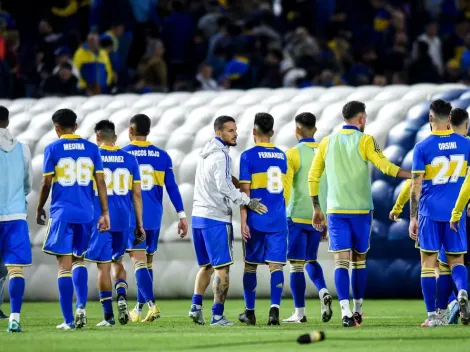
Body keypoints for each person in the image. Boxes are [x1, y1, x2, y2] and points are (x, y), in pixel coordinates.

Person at [308, 101, 411, 327]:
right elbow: (384, 166)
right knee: (359, 262)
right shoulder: (366, 140)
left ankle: (345, 312)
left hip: (335, 211)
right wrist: (411, 175)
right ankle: (357, 310)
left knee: (341, 263)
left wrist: (317, 208)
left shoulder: (327, 141)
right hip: (361, 211)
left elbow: (313, 176)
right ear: (362, 118)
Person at [390, 108, 470, 325]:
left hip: (429, 213)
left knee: (428, 264)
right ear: (450, 119)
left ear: (430, 118)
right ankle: (462, 292)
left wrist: (411, 216)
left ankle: (433, 316)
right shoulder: (466, 144)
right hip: (456, 213)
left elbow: (414, 183)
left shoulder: (422, 147)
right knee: (455, 262)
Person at [189, 115, 267, 326]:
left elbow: (219, 180)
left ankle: (196, 307)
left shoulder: (205, 153)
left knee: (206, 266)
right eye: (231, 130)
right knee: (222, 268)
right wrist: (247, 201)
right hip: (215, 218)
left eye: (235, 130)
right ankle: (217, 315)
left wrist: (236, 182)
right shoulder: (222, 156)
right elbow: (223, 186)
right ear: (219, 132)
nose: (236, 134)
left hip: (198, 216)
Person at [37, 109, 110, 330]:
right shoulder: (92, 148)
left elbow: (46, 184)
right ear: (76, 126)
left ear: (56, 127)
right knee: (80, 260)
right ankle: (81, 307)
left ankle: (69, 320)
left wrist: (40, 206)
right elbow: (100, 183)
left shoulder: (52, 148)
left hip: (62, 213)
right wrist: (104, 213)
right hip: (87, 214)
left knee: (63, 266)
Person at [122, 114, 188, 323]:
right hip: (154, 216)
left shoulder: (123, 154)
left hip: (134, 216)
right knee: (147, 263)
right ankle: (139, 309)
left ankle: (152, 305)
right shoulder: (162, 155)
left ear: (130, 131)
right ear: (148, 131)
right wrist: (181, 215)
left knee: (137, 262)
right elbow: (172, 188)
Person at [84, 120, 146, 327]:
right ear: (116, 138)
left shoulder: (94, 156)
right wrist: (139, 224)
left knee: (102, 268)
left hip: (101, 220)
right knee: (117, 262)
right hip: (123, 219)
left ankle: (108, 317)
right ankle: (121, 293)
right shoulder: (130, 159)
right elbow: (137, 195)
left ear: (97, 137)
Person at [237, 113, 288, 326]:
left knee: (250, 267)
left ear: (254, 132)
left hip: (256, 221)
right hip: (277, 220)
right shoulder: (282, 156)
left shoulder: (247, 156)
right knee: (276, 267)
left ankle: (250, 312)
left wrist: (243, 221)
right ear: (272, 132)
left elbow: (245, 193)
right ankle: (274, 311)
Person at [282, 112, 332, 324]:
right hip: (318, 217)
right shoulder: (325, 151)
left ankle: (299, 313)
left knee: (296, 265)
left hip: (296, 216)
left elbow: (285, 189)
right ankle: (322, 291)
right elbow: (331, 186)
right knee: (311, 259)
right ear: (315, 129)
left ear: (297, 130)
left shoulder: (292, 154)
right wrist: (327, 218)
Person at [0, 105, 32, 332]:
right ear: (7, 122)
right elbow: (28, 184)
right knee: (15, 269)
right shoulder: (23, 149)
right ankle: (14, 318)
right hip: (16, 216)